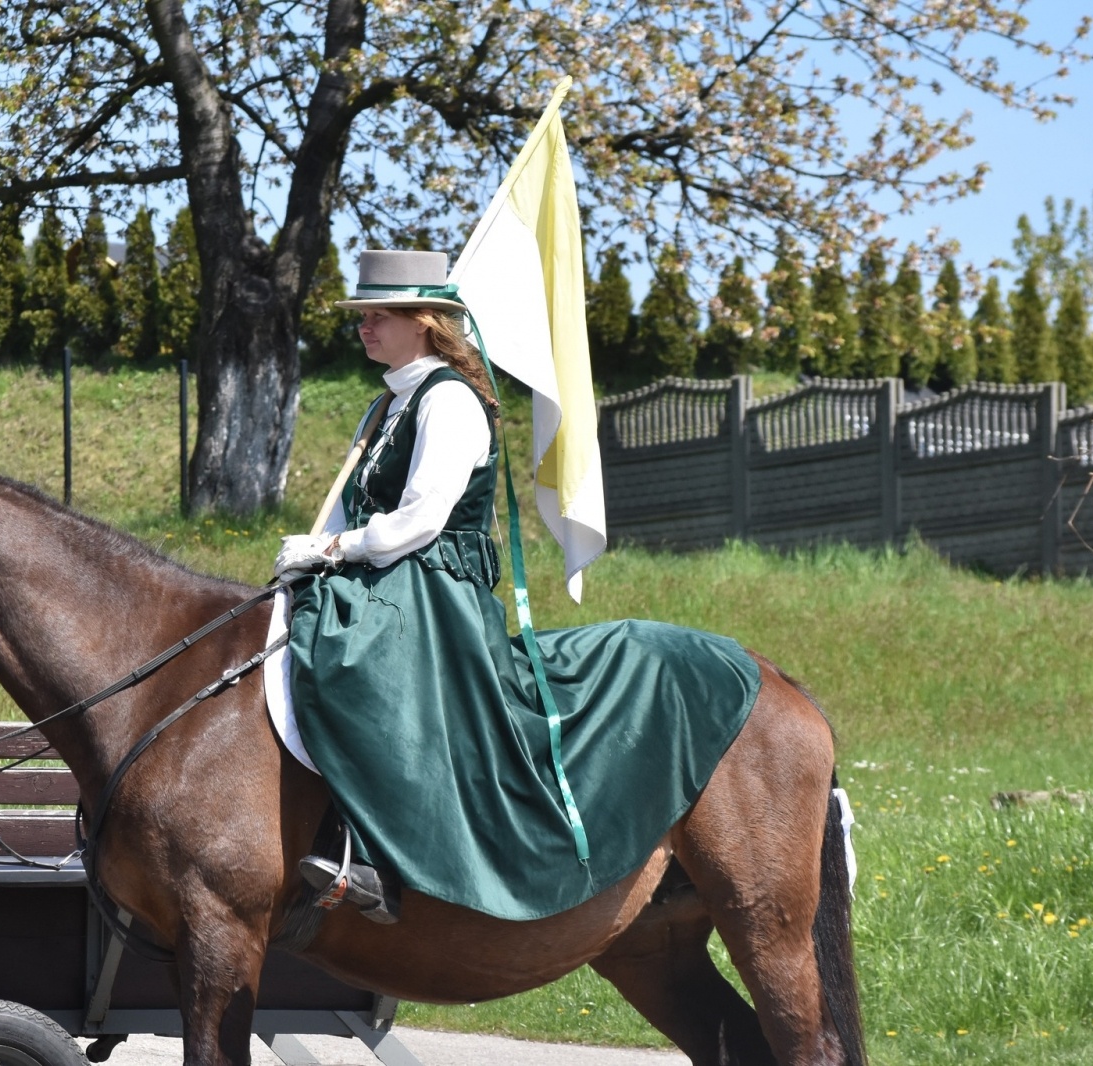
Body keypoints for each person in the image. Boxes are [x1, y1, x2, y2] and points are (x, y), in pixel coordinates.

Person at [269, 250, 760, 925]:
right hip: (379, 573)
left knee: (355, 663)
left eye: (379, 314)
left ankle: (377, 862)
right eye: (362, 315)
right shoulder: (386, 405)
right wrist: (304, 557)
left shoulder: (450, 402)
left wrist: (334, 549)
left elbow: (420, 519)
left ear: (425, 321)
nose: (365, 325)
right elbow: (348, 508)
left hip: (430, 587)